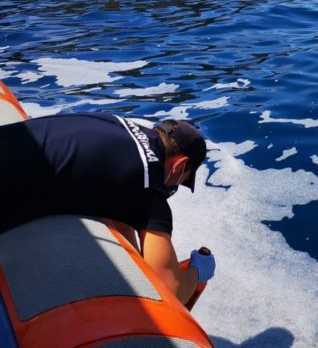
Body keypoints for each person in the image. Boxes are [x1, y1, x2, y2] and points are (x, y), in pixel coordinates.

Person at [0, 113, 216, 304]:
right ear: (179, 166)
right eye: (181, 181)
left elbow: (122, 208)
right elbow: (171, 290)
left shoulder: (116, 123)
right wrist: (198, 271)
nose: (173, 188)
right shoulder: (150, 186)